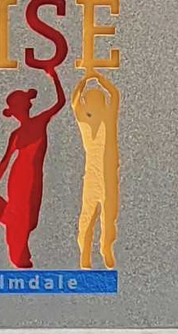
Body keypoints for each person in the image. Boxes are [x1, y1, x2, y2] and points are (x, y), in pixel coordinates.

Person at [0, 65, 67, 268]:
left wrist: (54, 75)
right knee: (23, 218)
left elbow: (61, 102)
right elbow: (5, 162)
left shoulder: (39, 122)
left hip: (33, 176)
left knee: (30, 219)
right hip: (21, 177)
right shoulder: (16, 134)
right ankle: (20, 257)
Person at [73, 70, 121, 269]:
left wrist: (100, 80)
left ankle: (106, 248)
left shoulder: (109, 119)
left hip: (109, 176)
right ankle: (84, 254)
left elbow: (115, 95)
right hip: (92, 177)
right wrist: (84, 81)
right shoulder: (85, 122)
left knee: (109, 218)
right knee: (87, 217)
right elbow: (75, 103)